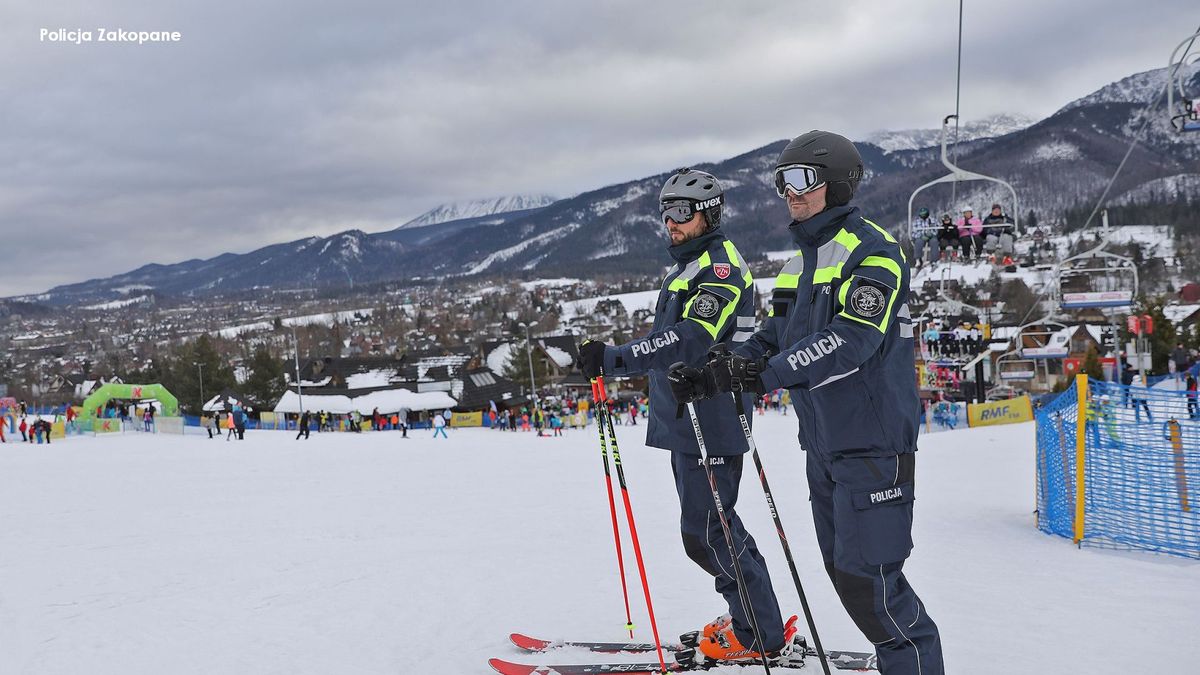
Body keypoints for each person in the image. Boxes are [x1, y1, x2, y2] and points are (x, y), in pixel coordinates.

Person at [669, 130, 943, 674]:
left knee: (874, 585)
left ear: (837, 183)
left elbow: (850, 339)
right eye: (782, 182)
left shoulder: (875, 254)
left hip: (873, 443)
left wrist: (764, 373)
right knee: (845, 574)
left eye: (802, 180)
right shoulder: (800, 265)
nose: (790, 193)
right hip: (825, 444)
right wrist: (715, 373)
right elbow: (773, 336)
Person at [576, 167, 787, 665]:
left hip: (710, 420)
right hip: (686, 420)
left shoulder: (720, 270)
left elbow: (689, 338)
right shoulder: (688, 266)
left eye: (681, 213)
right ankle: (755, 621)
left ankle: (758, 632)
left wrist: (616, 358)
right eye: (665, 213)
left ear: (708, 215)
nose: (670, 222)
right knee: (715, 528)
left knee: (708, 533)